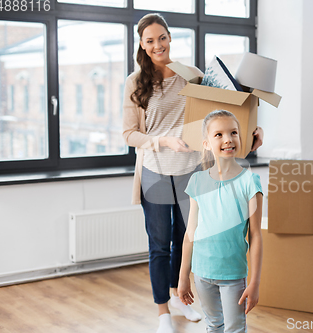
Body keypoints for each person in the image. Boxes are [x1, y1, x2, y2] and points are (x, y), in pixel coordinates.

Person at [122, 13, 264, 333]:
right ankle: (163, 312)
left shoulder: (192, 75)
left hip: (191, 171)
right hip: (156, 170)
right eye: (149, 41)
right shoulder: (135, 82)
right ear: (142, 46)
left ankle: (178, 298)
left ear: (170, 38)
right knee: (159, 243)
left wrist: (255, 130)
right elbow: (129, 134)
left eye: (162, 38)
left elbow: (225, 112)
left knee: (185, 238)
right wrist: (162, 140)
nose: (157, 45)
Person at [178, 110, 263, 333]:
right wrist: (183, 277)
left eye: (233, 132)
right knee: (213, 325)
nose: (227, 139)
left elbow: (255, 236)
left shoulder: (250, 182)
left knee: (234, 328)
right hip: (202, 272)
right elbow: (190, 234)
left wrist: (254, 282)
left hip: (234, 274)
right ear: (206, 143)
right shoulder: (197, 181)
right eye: (219, 135)